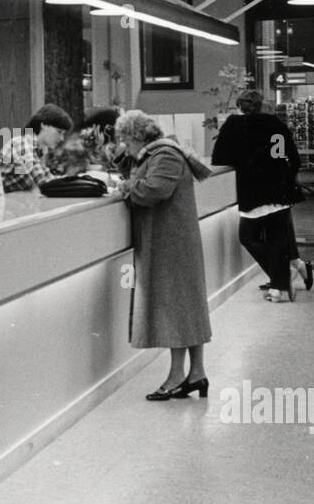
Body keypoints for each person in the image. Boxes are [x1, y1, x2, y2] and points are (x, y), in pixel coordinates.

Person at [114, 109, 214, 401]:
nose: (124, 146)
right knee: (187, 307)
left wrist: (126, 187)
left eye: (125, 140)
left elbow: (154, 190)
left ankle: (175, 377)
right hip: (174, 241)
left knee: (175, 308)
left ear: (135, 136)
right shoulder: (160, 153)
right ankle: (196, 374)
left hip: (171, 243)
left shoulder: (165, 155)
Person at [212, 89, 303, 303]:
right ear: (261, 104)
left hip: (252, 191)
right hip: (279, 191)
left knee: (248, 237)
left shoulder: (233, 125)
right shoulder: (275, 124)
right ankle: (279, 284)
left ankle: (280, 281)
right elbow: (291, 157)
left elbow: (219, 157)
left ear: (239, 105)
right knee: (277, 240)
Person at [0, 103, 72, 192]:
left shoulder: (37, 149)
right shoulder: (22, 144)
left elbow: (50, 179)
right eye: (59, 132)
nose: (61, 138)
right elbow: (45, 183)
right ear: (44, 125)